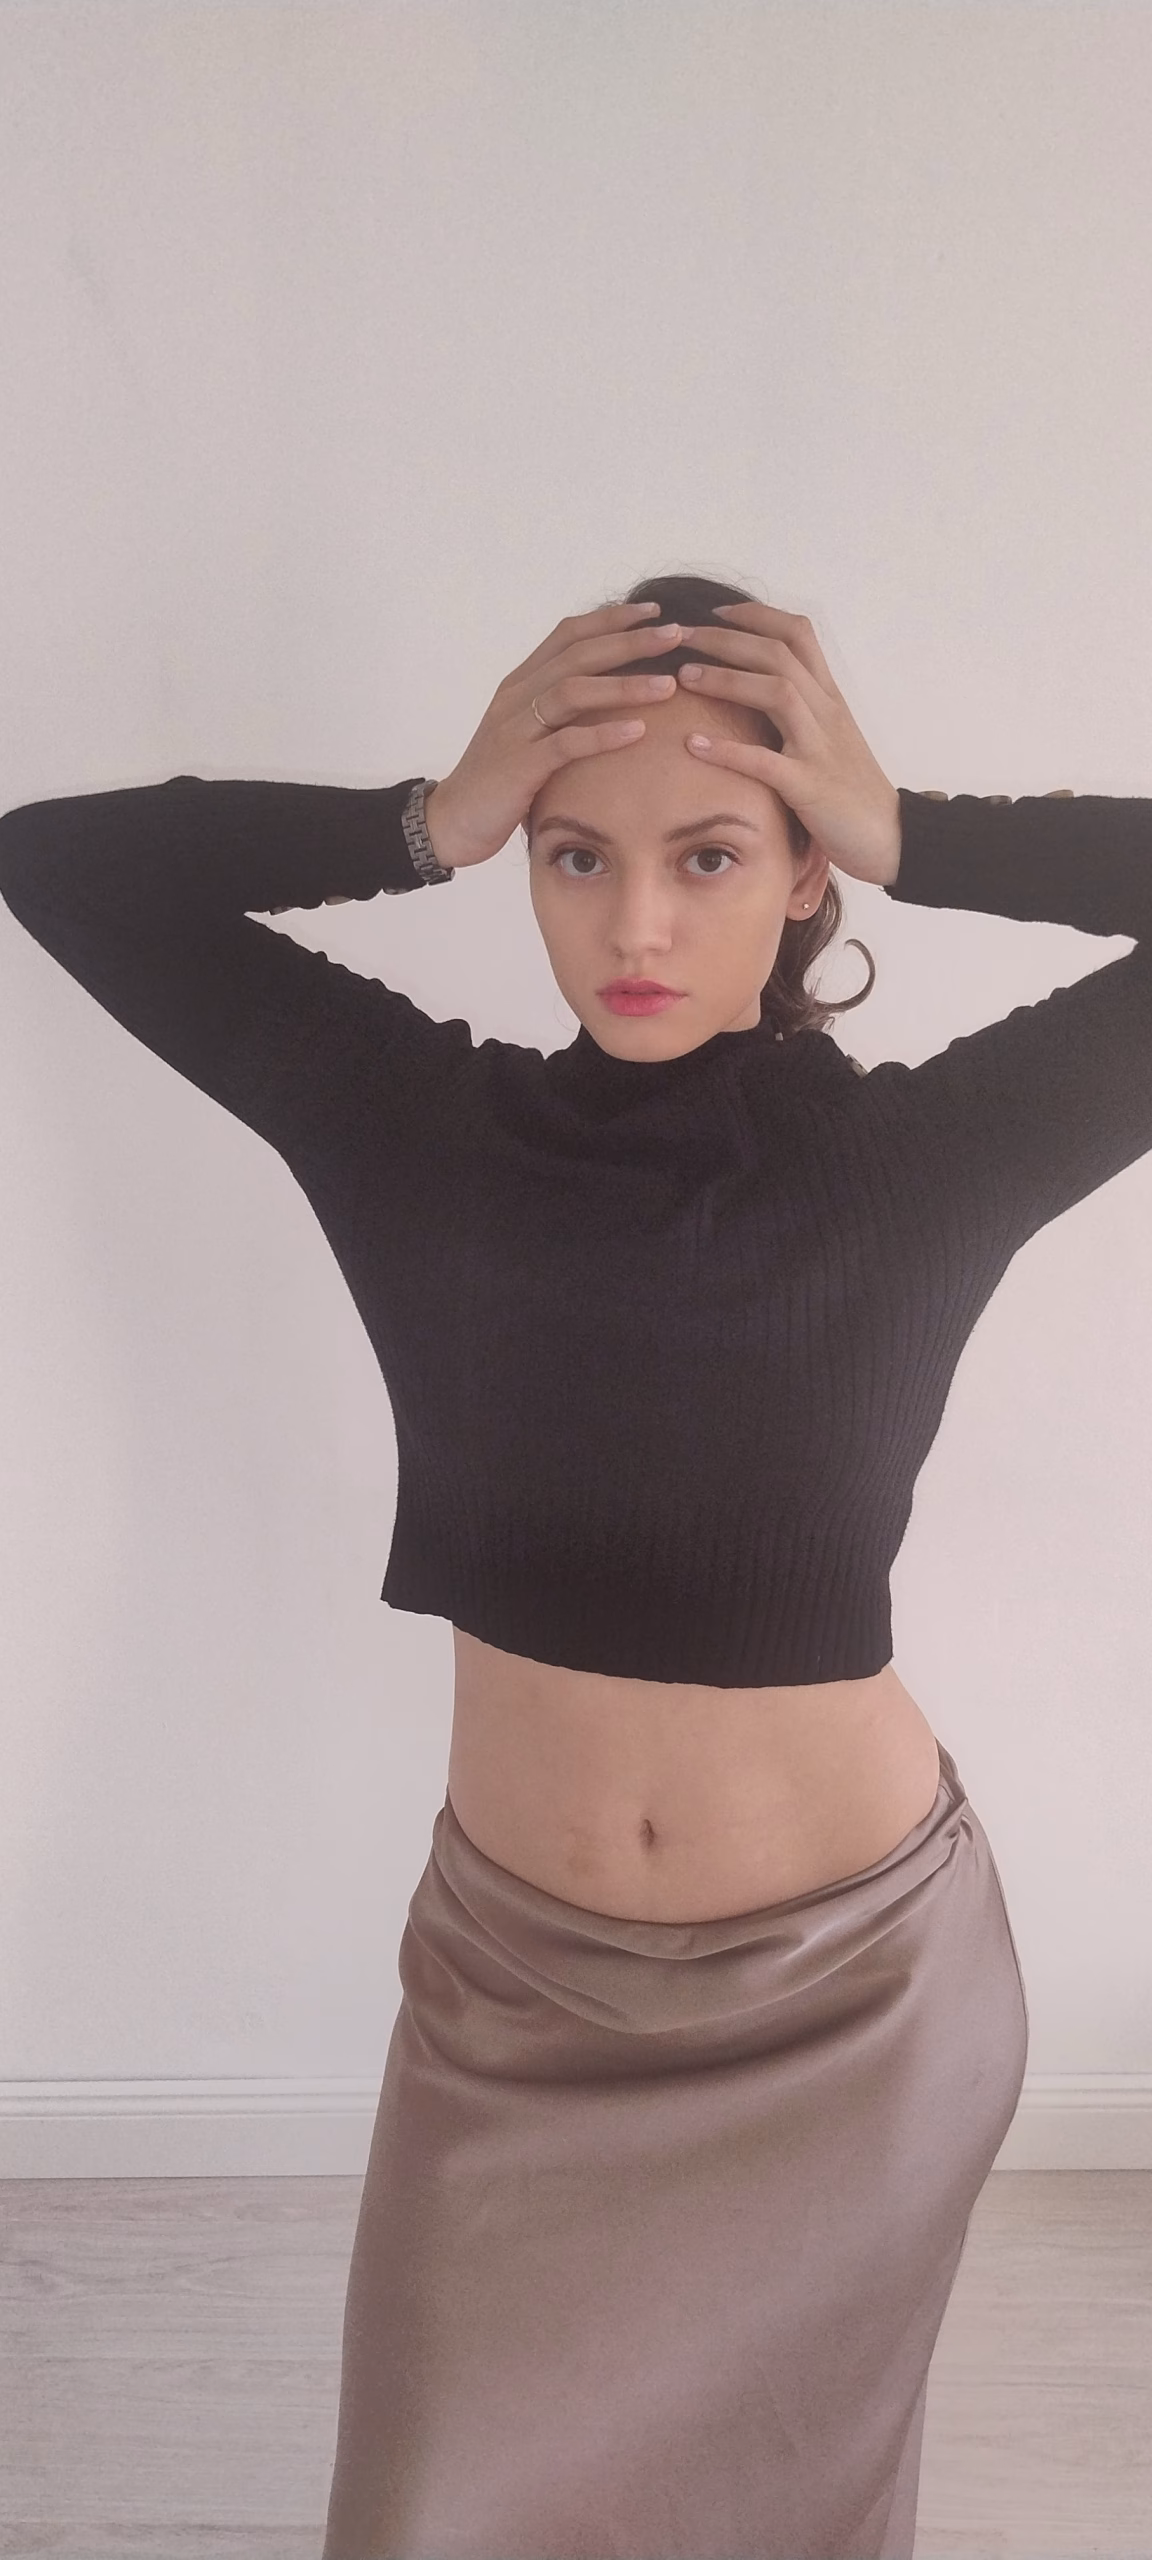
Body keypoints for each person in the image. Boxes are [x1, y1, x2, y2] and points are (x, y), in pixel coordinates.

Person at [3, 569, 1147, 2558]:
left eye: (711, 854)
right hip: (513, 1997)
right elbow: (56, 862)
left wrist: (917, 828)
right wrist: (423, 816)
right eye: (572, 854)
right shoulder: (412, 1124)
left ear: (805, 870)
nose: (633, 927)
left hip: (854, 2008)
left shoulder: (927, 1157)